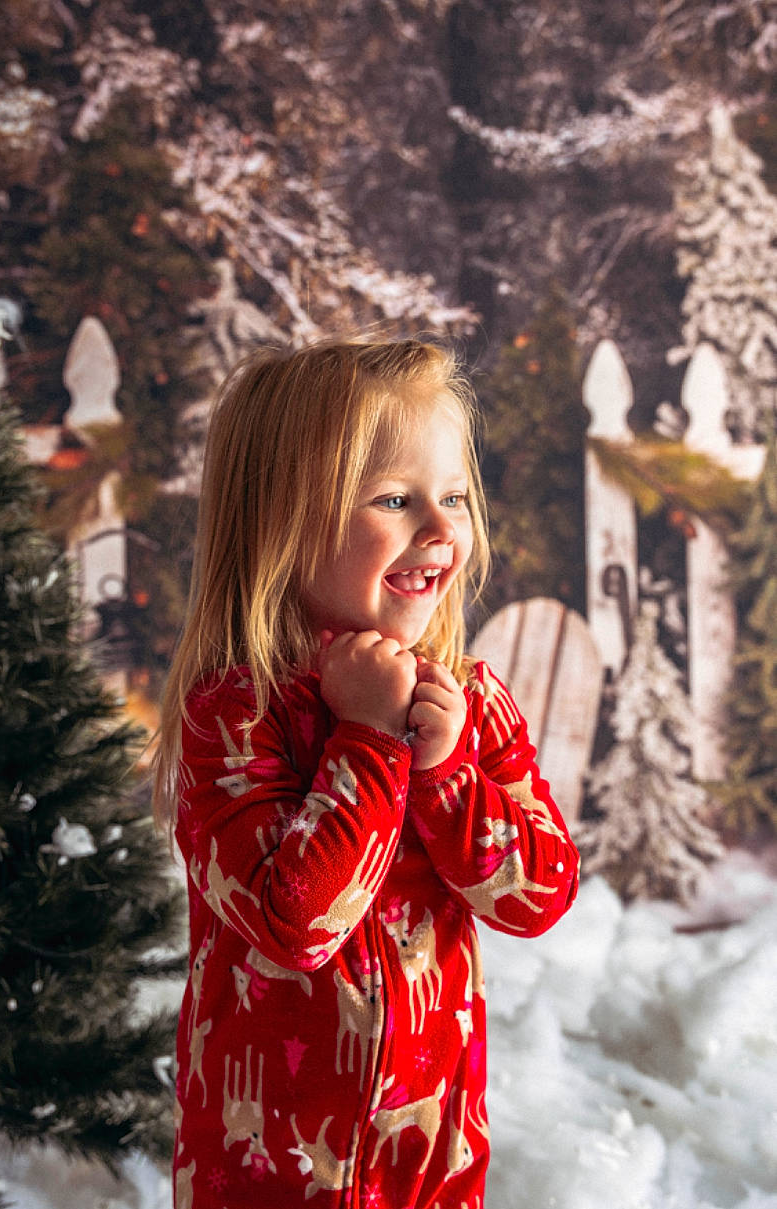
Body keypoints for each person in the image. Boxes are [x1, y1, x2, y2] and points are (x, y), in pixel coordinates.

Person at [152, 337, 579, 1209]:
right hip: (263, 1177)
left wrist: (447, 768)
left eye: (453, 496)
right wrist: (370, 739)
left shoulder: (465, 698)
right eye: (395, 498)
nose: (442, 528)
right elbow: (295, 923)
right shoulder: (234, 714)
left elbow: (537, 896)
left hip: (432, 1165)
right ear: (281, 519)